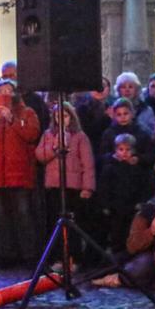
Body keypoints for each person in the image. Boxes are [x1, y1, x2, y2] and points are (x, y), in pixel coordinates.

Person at [0, 79, 40, 267]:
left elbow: (31, 135)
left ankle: (29, 255)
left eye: (9, 90)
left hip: (18, 172)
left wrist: (12, 120)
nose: (5, 93)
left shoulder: (27, 113)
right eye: (1, 90)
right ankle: (5, 254)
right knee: (1, 217)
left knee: (23, 214)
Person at [35, 103, 96, 266]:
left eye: (65, 116)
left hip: (73, 187)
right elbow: (40, 156)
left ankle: (74, 259)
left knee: (72, 225)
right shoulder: (48, 135)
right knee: (55, 224)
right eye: (57, 116)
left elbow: (87, 163)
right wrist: (54, 148)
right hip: (54, 186)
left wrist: (87, 187)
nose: (61, 119)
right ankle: (58, 258)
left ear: (71, 117)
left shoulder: (80, 137)